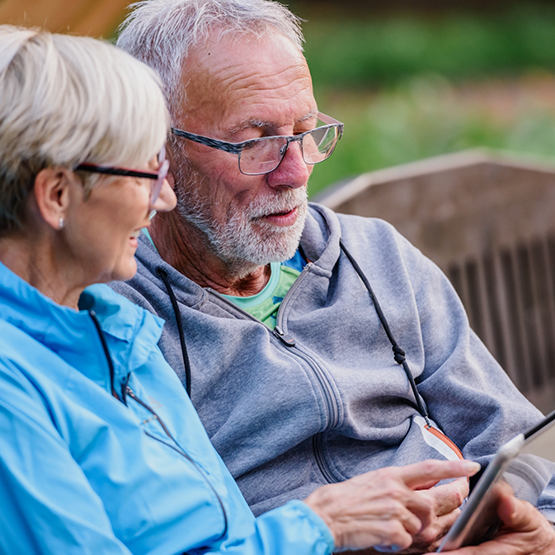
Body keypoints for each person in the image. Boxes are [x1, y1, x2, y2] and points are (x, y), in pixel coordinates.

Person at [0, 24, 483, 555]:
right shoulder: (98, 335)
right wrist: (320, 526)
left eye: (306, 132)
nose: (163, 198)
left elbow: (220, 535)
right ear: (58, 195)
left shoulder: (107, 330)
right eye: (254, 144)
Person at [112, 0, 555, 553]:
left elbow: (522, 450)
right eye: (256, 143)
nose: (296, 170)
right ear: (158, 148)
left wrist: (539, 533)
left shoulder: (374, 255)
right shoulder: (113, 322)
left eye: (306, 130)